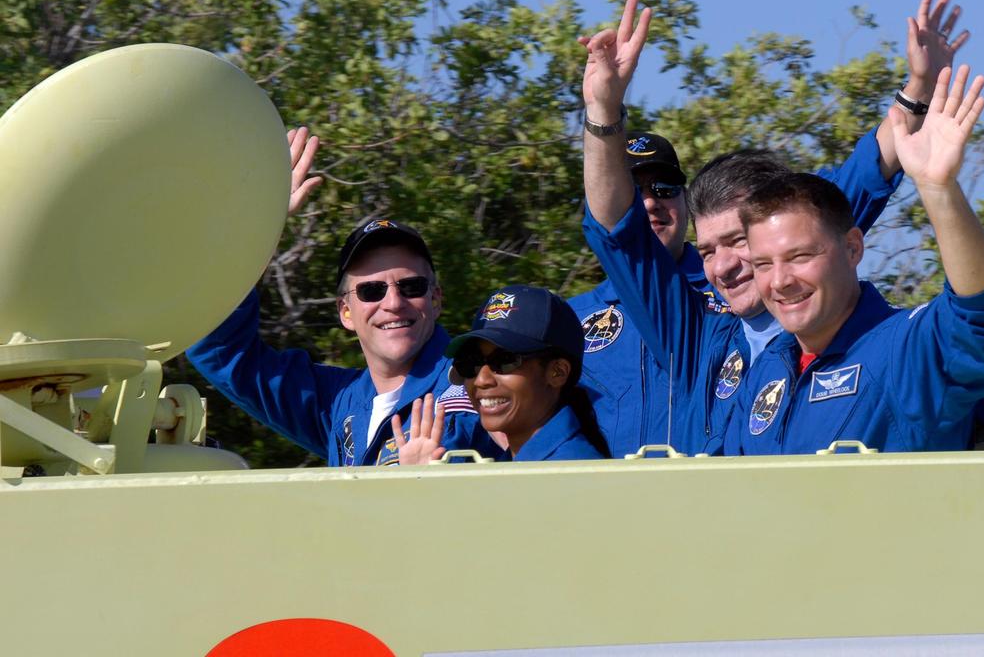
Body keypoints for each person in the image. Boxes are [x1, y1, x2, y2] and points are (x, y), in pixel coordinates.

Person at [579, 0, 984, 453]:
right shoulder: (706, 337)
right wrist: (601, 110)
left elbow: (982, 322)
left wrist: (931, 162)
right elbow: (617, 230)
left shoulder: (893, 348)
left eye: (738, 243)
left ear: (851, 247)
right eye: (708, 250)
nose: (731, 268)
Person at [724, 65, 984, 454]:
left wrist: (939, 189)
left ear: (853, 248)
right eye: (764, 264)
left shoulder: (904, 350)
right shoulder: (768, 368)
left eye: (800, 256)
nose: (780, 280)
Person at [185, 128, 498, 466]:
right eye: (371, 290)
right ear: (345, 312)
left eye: (411, 286)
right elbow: (220, 352)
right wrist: (255, 226)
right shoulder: (341, 402)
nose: (393, 302)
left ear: (436, 299)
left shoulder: (475, 385)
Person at [568, 130, 727, 459]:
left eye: (664, 189)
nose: (651, 202)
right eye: (632, 191)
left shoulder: (734, 298)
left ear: (686, 202)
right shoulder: (571, 319)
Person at [393, 285, 605, 462]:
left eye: (505, 360)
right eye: (472, 363)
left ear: (558, 372)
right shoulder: (513, 465)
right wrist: (420, 478)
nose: (482, 380)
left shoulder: (571, 471)